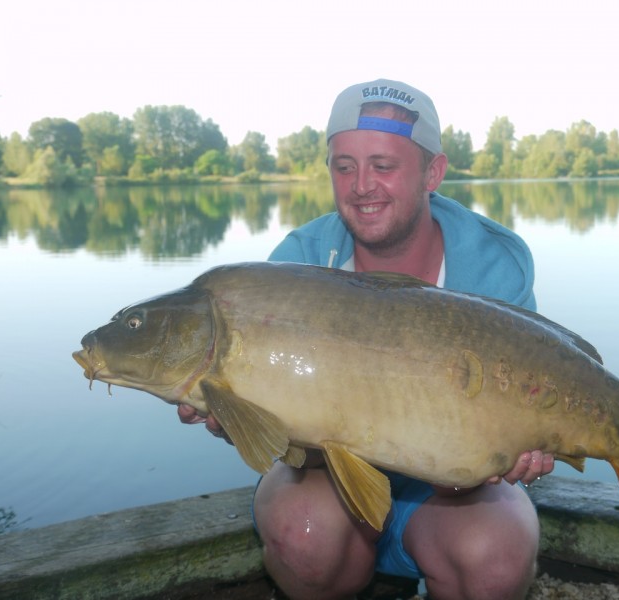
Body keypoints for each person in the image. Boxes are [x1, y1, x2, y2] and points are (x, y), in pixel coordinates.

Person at [178, 79, 555, 600]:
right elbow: (292, 445)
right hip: (327, 480)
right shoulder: (296, 266)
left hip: (450, 496)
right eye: (344, 167)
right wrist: (243, 423)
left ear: (433, 172)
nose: (361, 186)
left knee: (493, 562)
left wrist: (521, 451)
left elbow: (524, 411)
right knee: (302, 537)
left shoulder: (494, 263)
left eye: (383, 166)